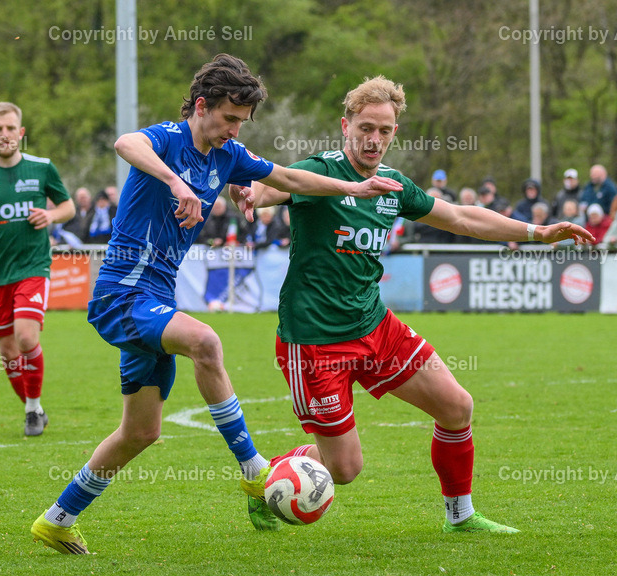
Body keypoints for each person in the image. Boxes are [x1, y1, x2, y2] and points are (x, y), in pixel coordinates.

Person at [29, 54, 404, 554]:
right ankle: (254, 470)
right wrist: (175, 181)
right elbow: (125, 143)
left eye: (242, 122)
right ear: (201, 105)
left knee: (140, 431)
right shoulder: (168, 139)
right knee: (205, 341)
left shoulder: (228, 155)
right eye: (229, 118)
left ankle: (57, 519)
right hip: (121, 294)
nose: (234, 130)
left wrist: (353, 187)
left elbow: (291, 179)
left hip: (156, 297)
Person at [236, 75, 593, 536]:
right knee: (344, 469)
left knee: (456, 407)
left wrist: (536, 233)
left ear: (394, 133)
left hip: (375, 326)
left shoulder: (393, 186)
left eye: (384, 131)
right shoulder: (319, 172)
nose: (374, 139)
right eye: (366, 128)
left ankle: (460, 516)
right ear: (346, 126)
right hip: (315, 342)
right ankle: (269, 479)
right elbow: (274, 186)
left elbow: (461, 217)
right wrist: (250, 193)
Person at [0, 101, 76, 438]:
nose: (4, 134)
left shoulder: (42, 168)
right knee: (8, 353)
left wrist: (50, 215)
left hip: (33, 267)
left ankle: (32, 410)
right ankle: (34, 408)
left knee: (25, 337)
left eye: (10, 128)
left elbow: (68, 207)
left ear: (21, 132)